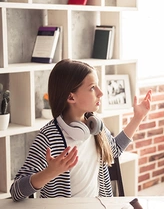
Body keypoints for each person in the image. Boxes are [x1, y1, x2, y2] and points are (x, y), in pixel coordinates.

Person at [10, 59, 152, 201]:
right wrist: (49, 172)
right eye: (92, 88)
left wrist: (138, 118)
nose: (100, 92)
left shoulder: (95, 126)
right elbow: (16, 191)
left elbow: (114, 150)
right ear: (71, 97)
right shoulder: (48, 137)